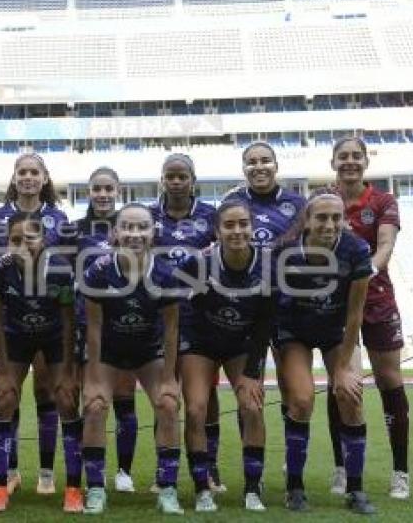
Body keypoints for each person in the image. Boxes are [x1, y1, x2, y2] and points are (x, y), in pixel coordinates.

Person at [274, 190, 376, 514]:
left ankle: (356, 489)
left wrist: (343, 368)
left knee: (351, 395)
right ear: (307, 219)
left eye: (336, 217)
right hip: (295, 333)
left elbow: (355, 314)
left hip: (337, 333)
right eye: (321, 217)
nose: (330, 224)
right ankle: (295, 486)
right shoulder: (285, 251)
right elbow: (275, 309)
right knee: (302, 400)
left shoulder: (356, 249)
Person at [80, 203, 183, 515]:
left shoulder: (165, 273)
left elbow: (172, 329)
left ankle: (167, 489)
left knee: (167, 404)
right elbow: (94, 327)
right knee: (95, 406)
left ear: (153, 233)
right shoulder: (98, 270)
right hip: (110, 351)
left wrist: (168, 378)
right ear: (115, 233)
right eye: (127, 227)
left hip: (148, 353)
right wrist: (95, 376)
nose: (134, 234)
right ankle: (96, 488)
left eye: (142, 227)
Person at [177, 200, 272, 512]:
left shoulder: (267, 265)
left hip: (241, 343)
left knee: (252, 406)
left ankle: (253, 488)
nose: (237, 230)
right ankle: (202, 488)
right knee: (195, 409)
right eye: (229, 225)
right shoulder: (199, 263)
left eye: (243, 224)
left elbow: (264, 322)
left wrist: (252, 372)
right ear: (217, 231)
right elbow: (183, 310)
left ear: (252, 227)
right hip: (201, 342)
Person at [0, 212, 81, 513]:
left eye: (30, 238)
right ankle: (0, 487)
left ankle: (74, 488)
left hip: (52, 339)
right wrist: (1, 370)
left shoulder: (60, 269)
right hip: (15, 339)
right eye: (15, 240)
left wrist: (66, 372)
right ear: (6, 242)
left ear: (44, 240)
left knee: (66, 400)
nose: (22, 245)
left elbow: (67, 323)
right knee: (3, 400)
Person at [331, 136, 410, 500]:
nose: (349, 161)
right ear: (333, 162)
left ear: (365, 161)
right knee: (342, 380)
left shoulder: (383, 201)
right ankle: (341, 468)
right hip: (334, 305)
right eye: (343, 156)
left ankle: (400, 472)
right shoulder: (324, 200)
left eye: (355, 156)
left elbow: (386, 247)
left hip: (376, 300)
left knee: (388, 380)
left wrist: (359, 274)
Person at [0, 153, 69, 495]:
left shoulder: (59, 218)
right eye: (22, 172)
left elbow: (63, 268)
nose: (28, 177)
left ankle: (47, 474)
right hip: (10, 317)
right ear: (14, 177)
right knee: (6, 393)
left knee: (46, 390)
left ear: (45, 178)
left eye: (35, 172)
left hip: (48, 317)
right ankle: (11, 470)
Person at [223, 141, 307, 461]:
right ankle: (251, 467)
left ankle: (290, 459)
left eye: (265, 161)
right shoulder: (232, 202)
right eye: (252, 162)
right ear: (244, 168)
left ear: (276, 165)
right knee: (249, 390)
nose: (259, 167)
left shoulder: (298, 204)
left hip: (286, 307)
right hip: (246, 308)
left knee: (290, 387)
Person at [70, 166, 141, 493]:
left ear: (118, 191)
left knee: (126, 398)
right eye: (96, 189)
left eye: (108, 189)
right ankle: (92, 471)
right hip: (89, 325)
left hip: (126, 324)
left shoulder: (132, 227)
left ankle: (124, 471)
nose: (102, 194)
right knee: (93, 400)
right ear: (89, 192)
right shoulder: (76, 231)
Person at [151, 154, 219, 492]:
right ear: (162, 180)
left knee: (202, 396)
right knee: (164, 394)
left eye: (182, 176)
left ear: (193, 180)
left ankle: (211, 467)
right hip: (158, 318)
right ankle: (162, 470)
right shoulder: (148, 216)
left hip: (200, 318)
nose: (176, 182)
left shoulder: (211, 216)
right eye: (170, 176)